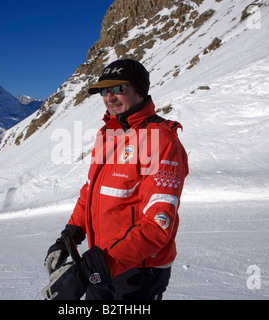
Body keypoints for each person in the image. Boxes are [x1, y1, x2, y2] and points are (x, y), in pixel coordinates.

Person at [41, 59, 189, 300]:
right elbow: (91, 193)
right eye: (104, 90)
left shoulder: (159, 140)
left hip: (137, 273)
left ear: (139, 90)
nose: (110, 97)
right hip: (101, 263)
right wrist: (70, 235)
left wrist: (89, 270)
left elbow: (158, 225)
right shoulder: (109, 134)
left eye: (119, 88)